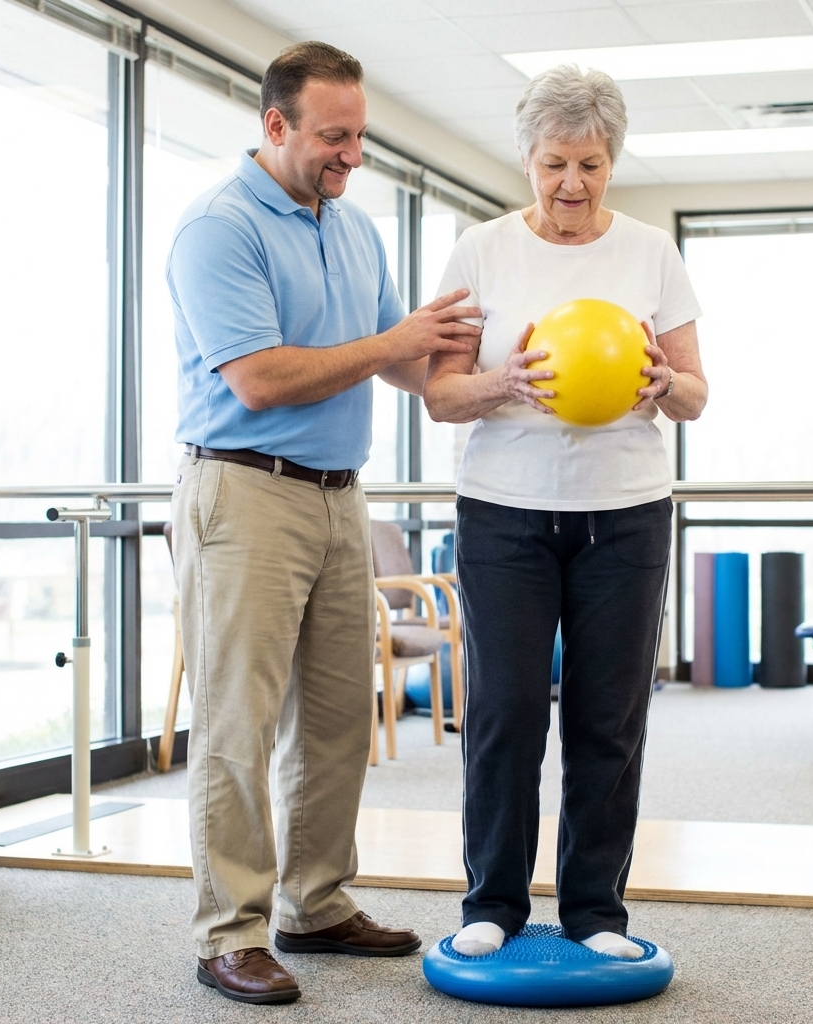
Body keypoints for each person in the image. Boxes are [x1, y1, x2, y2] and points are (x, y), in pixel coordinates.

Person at [167, 41, 481, 1005]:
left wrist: (478, 364)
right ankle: (230, 929)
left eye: (360, 139)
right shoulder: (217, 229)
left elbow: (394, 359)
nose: (351, 157)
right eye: (333, 138)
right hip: (245, 491)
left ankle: (316, 902)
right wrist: (394, 341)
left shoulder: (351, 228)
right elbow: (259, 379)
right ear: (276, 125)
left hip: (342, 493)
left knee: (341, 717)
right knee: (238, 724)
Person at [423, 65, 708, 959]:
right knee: (506, 711)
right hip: (505, 512)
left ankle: (595, 912)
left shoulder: (652, 253)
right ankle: (492, 904)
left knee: (608, 714)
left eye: (589, 163)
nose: (572, 185)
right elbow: (440, 396)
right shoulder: (480, 249)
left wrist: (666, 382)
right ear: (526, 159)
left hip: (624, 513)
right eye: (554, 164)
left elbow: (697, 394)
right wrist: (505, 381)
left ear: (612, 161)